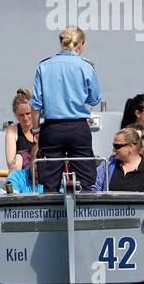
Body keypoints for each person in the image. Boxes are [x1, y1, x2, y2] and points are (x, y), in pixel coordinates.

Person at [30, 26, 101, 192]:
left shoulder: (44, 66)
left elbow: (36, 104)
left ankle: (51, 213)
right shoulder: (86, 66)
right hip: (78, 127)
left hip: (52, 128)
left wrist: (35, 130)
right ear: (80, 44)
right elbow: (94, 99)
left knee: (49, 181)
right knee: (86, 179)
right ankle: (85, 212)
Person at [4, 87, 37, 171]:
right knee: (19, 158)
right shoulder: (12, 130)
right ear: (15, 114)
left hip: (41, 171)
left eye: (28, 113)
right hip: (22, 175)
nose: (25, 118)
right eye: (21, 115)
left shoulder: (43, 127)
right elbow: (10, 163)